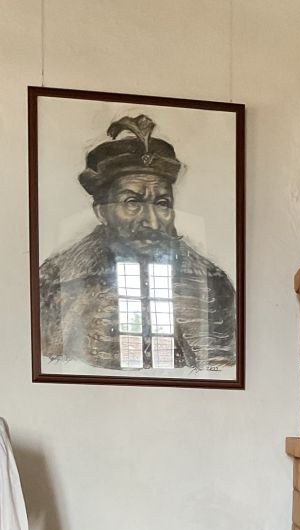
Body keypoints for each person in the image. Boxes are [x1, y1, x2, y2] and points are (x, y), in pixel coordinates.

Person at [39, 114, 236, 371]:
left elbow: (223, 367)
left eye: (163, 204)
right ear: (102, 211)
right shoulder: (55, 280)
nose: (152, 222)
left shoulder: (213, 283)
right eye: (132, 203)